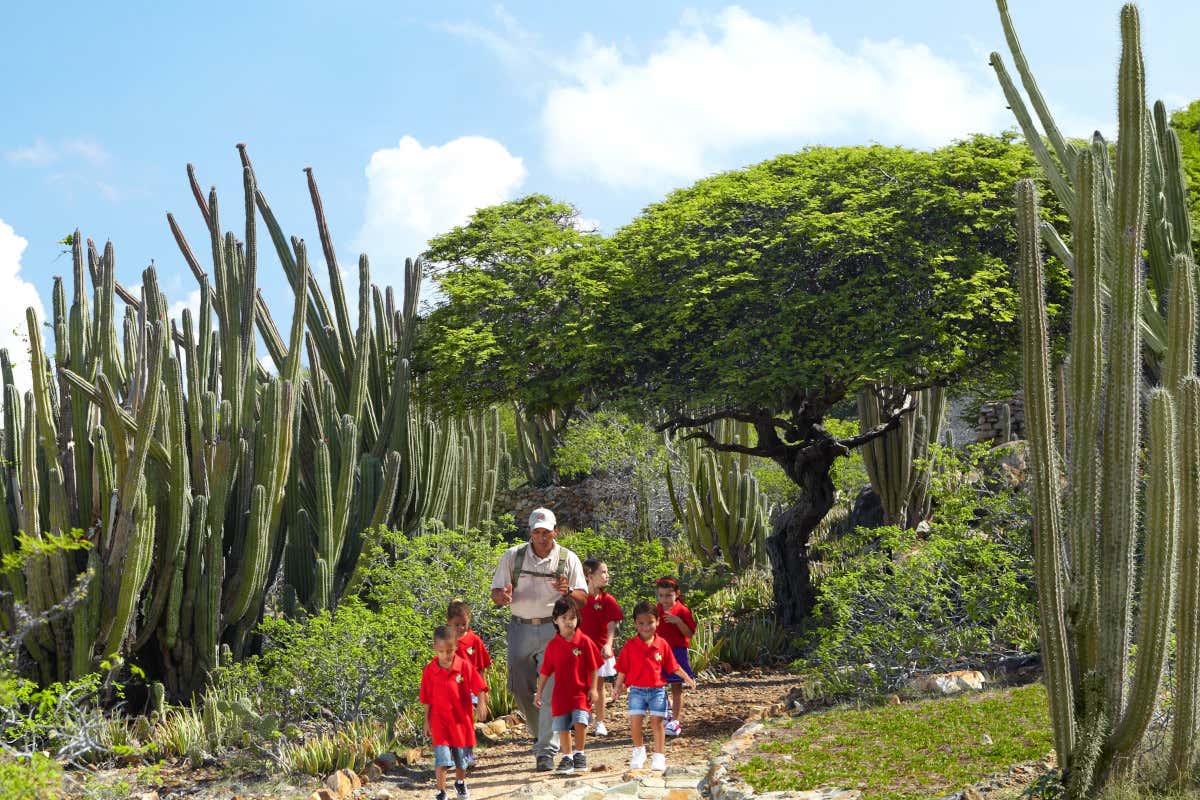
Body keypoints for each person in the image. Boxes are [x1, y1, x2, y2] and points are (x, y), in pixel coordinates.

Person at [491, 507, 588, 772]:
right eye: (537, 532)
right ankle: (539, 731)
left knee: (550, 692)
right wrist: (503, 597)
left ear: (555, 531)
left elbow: (583, 598)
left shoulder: (568, 558)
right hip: (520, 628)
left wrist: (567, 591)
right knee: (520, 687)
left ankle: (545, 750)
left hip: (553, 631)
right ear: (530, 532)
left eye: (547, 532)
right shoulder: (513, 557)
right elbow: (496, 595)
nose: (542, 537)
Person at [613, 600, 696, 772]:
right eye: (641, 623)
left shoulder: (662, 644)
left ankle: (659, 756)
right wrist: (617, 687)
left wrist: (687, 678)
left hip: (658, 691)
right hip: (636, 690)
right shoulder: (630, 646)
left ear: (657, 622)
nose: (646, 627)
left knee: (657, 723)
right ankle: (638, 752)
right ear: (635, 624)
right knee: (635, 722)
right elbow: (622, 669)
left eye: (650, 622)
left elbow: (673, 666)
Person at [419, 625, 488, 800]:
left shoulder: (464, 666)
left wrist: (481, 703)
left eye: (449, 650)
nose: (446, 655)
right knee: (442, 759)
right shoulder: (429, 671)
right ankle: (441, 791)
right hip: (439, 722)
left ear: (456, 646)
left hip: (460, 722)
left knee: (461, 760)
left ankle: (460, 782)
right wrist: (426, 721)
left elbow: (479, 686)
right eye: (442, 651)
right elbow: (426, 699)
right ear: (435, 647)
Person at [534, 598, 602, 774]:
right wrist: (539, 693)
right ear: (556, 620)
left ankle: (580, 753)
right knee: (562, 727)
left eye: (572, 617)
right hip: (560, 696)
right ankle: (567, 757)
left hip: (580, 693)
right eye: (564, 618)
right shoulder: (553, 646)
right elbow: (545, 672)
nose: (569, 622)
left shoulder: (585, 641)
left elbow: (594, 667)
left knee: (580, 722)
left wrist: (593, 688)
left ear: (577, 619)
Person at [579, 558, 623, 736]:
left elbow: (612, 624)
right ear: (590, 575)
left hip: (599, 649)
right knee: (580, 684)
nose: (607, 576)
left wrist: (608, 644)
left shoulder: (608, 600)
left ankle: (600, 722)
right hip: (580, 650)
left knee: (599, 686)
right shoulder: (578, 599)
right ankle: (583, 717)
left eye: (607, 572)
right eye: (603, 572)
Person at [448, 599, 492, 768]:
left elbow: (481, 669)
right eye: (456, 624)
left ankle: (468, 753)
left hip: (471, 688)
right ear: (449, 622)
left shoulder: (474, 641)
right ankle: (455, 754)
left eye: (463, 624)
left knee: (467, 720)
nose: (460, 628)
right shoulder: (446, 640)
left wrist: (484, 693)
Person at [655, 576, 696, 736]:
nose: (664, 599)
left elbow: (689, 633)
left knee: (677, 686)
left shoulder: (682, 610)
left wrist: (678, 621)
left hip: (677, 652)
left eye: (668, 595)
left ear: (677, 594)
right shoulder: (656, 610)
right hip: (659, 652)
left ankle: (675, 721)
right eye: (661, 595)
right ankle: (667, 709)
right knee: (658, 684)